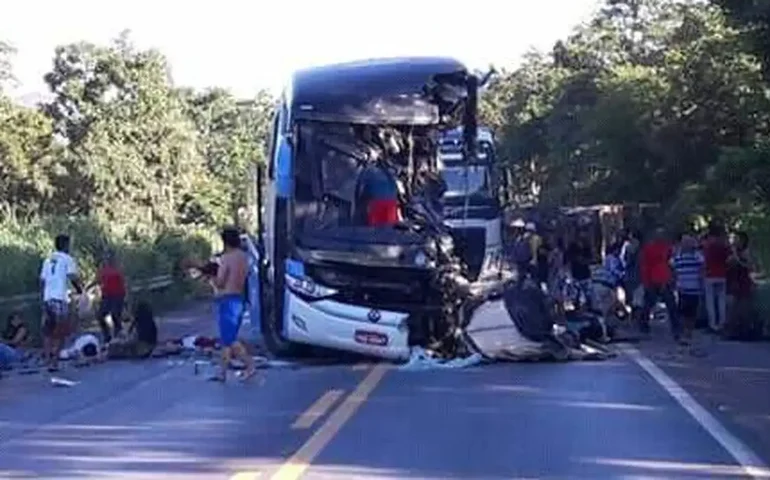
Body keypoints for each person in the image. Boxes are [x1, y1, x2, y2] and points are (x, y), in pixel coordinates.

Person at [207, 226, 256, 382]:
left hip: (227, 300)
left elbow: (221, 282)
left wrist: (210, 278)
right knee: (227, 339)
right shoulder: (244, 257)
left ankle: (250, 366)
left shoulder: (227, 258)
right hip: (239, 299)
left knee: (229, 340)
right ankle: (222, 373)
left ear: (225, 241)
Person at [39, 234, 83, 372]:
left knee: (48, 331)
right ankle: (54, 362)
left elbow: (42, 280)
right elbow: (72, 276)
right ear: (65, 245)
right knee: (61, 331)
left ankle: (47, 359)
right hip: (59, 297)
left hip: (48, 297)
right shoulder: (67, 259)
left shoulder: (48, 260)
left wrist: (43, 297)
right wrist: (80, 290)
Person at [639, 227, 679, 339]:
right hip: (657, 278)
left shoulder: (664, 248)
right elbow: (645, 265)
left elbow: (670, 263)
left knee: (655, 303)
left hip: (660, 278)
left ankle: (644, 325)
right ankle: (675, 327)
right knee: (658, 303)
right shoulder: (659, 248)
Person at [724, 231, 760, 340]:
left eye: (738, 240)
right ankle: (734, 331)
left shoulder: (746, 252)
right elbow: (728, 263)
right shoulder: (735, 252)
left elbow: (750, 266)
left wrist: (737, 259)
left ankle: (746, 331)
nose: (735, 242)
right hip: (736, 283)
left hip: (745, 283)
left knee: (744, 308)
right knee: (734, 308)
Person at [670, 234, 705, 345]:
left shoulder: (697, 256)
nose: (687, 245)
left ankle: (688, 332)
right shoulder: (678, 257)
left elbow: (702, 270)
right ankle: (683, 332)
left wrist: (701, 283)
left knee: (692, 313)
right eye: (685, 243)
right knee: (682, 312)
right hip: (682, 289)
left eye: (689, 243)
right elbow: (672, 270)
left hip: (694, 289)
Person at [88, 251, 127, 343]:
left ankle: (118, 334)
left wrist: (127, 296)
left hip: (118, 295)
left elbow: (124, 282)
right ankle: (107, 335)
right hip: (107, 296)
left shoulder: (118, 268)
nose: (107, 259)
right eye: (106, 258)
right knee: (100, 315)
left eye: (109, 257)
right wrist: (87, 288)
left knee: (115, 314)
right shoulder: (102, 269)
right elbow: (97, 280)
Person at [702, 222, 730, 332]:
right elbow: (728, 258)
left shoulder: (708, 244)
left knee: (710, 301)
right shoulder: (724, 244)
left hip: (710, 274)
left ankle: (712, 325)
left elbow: (704, 257)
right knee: (721, 300)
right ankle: (722, 323)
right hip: (722, 274)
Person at [565, 229, 594, 305]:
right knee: (575, 294)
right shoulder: (573, 246)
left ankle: (588, 306)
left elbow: (591, 258)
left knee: (588, 294)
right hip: (575, 274)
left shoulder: (587, 247)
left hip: (586, 275)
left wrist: (584, 261)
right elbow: (568, 259)